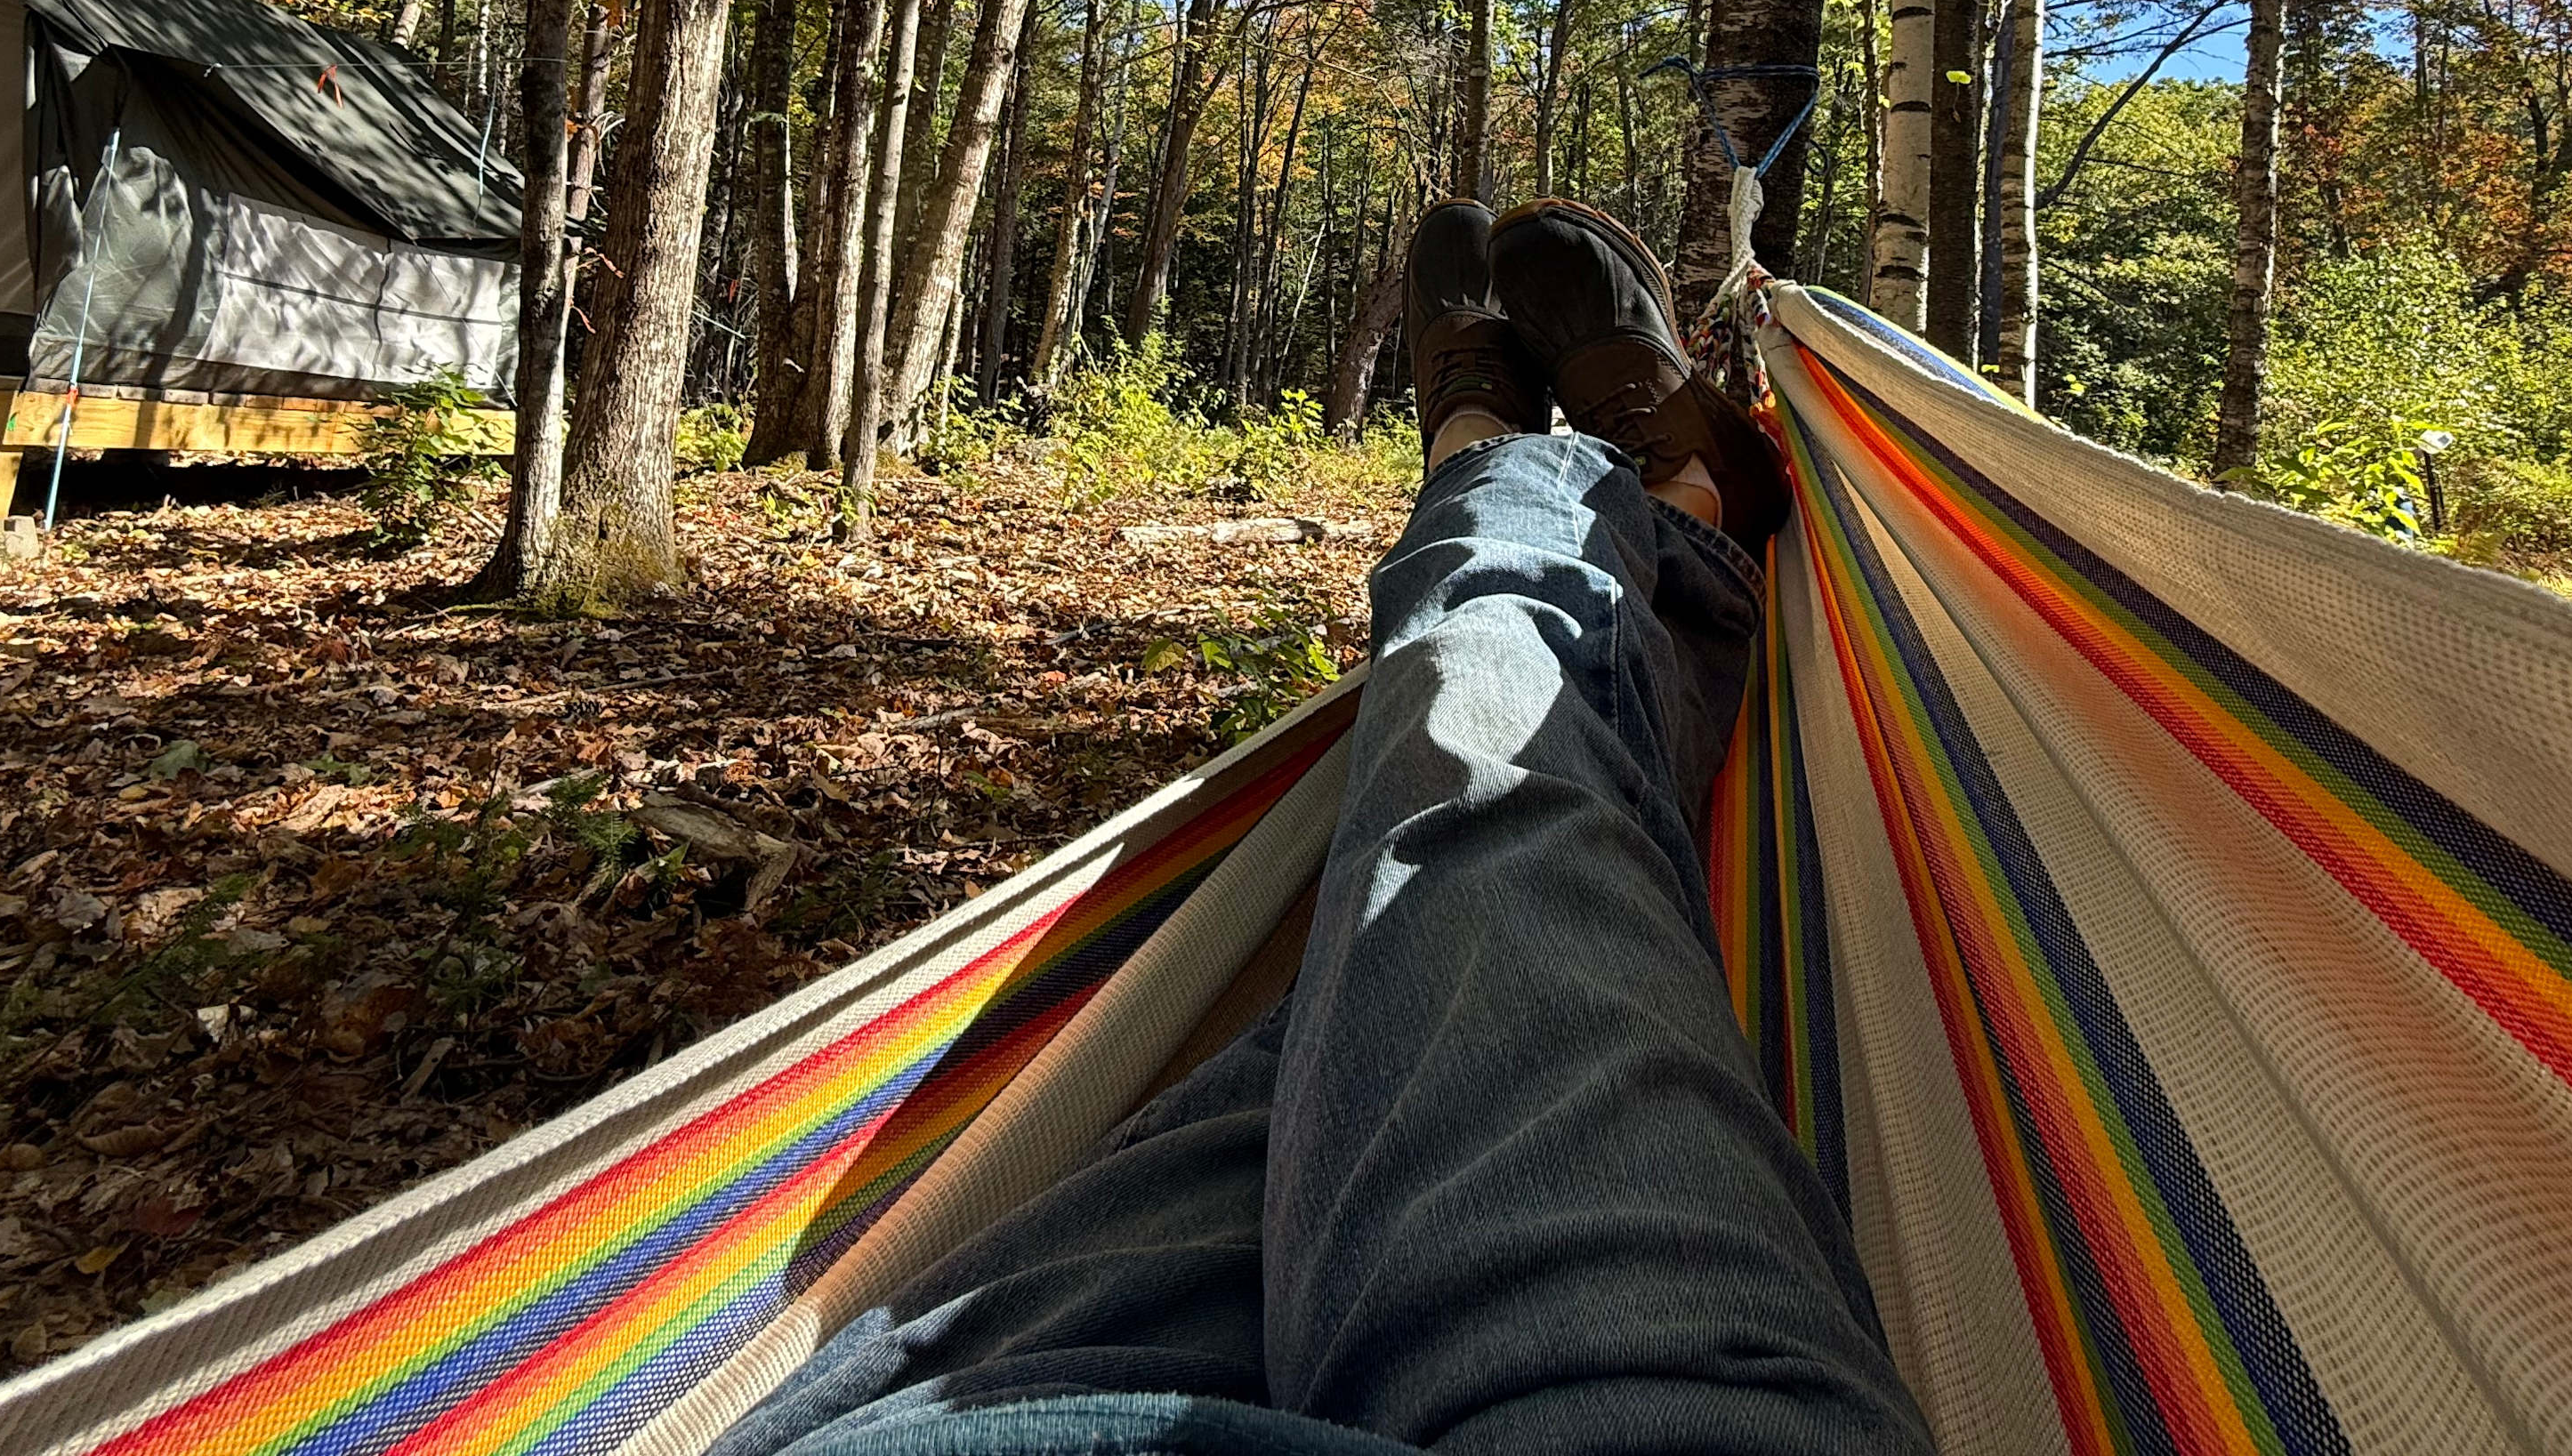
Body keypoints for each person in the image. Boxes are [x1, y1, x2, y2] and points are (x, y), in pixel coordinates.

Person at [716, 199, 1937, 1456]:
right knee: (1467, 769)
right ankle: (1626, 498)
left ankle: (1491, 455)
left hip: (970, 1397)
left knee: (1330, 1052)